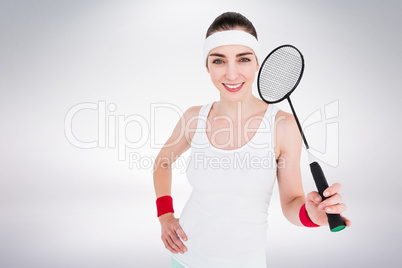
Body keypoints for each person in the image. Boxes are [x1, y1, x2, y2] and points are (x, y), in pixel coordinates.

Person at [153, 11, 351, 268]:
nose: (232, 74)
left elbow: (292, 202)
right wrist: (165, 216)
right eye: (219, 61)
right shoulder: (194, 118)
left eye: (243, 59)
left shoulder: (282, 126)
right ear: (207, 66)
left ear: (257, 63)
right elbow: (162, 163)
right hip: (184, 259)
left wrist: (310, 215)